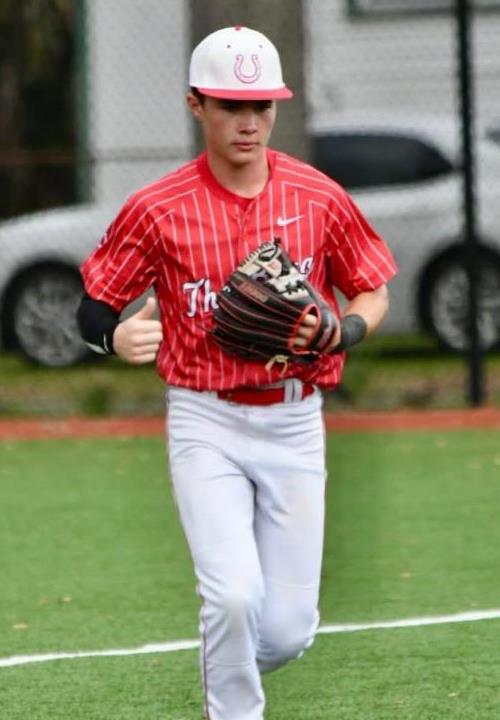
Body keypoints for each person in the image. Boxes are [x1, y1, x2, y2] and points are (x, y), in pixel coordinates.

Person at [77, 25, 397, 720]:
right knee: (231, 598)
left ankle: (227, 666)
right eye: (230, 105)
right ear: (197, 104)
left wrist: (345, 329)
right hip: (206, 419)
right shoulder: (158, 207)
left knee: (286, 632)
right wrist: (112, 337)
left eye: (262, 106)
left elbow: (372, 289)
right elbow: (93, 305)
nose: (249, 121)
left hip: (295, 420)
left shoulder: (317, 195)